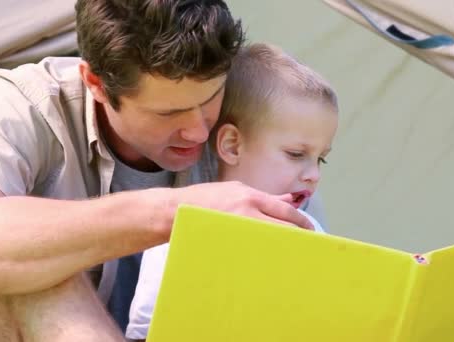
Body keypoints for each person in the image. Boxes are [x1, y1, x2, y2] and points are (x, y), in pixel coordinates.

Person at [0, 1, 316, 341]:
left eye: (209, 100)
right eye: (168, 113)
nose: (200, 132)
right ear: (97, 85)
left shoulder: (249, 114)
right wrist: (174, 212)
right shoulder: (22, 102)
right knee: (36, 266)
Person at [125, 42, 339, 341]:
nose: (314, 174)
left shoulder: (311, 231)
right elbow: (144, 330)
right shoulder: (186, 225)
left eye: (321, 158)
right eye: (295, 154)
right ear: (232, 145)